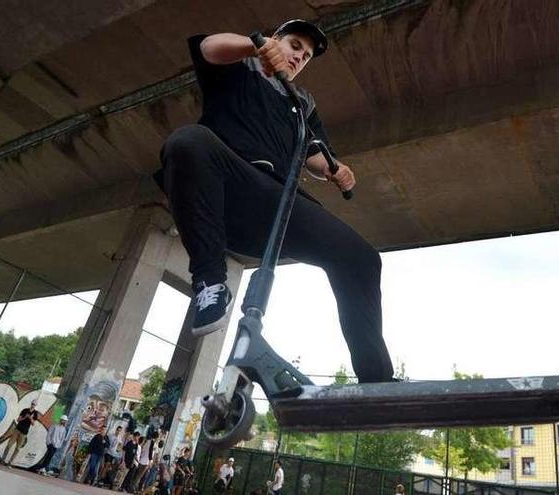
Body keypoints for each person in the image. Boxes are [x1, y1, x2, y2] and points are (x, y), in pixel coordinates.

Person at [155, 20, 394, 383]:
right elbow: (209, 47)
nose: (299, 56)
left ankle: (376, 381)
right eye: (294, 45)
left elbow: (315, 155)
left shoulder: (302, 103)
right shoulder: (243, 65)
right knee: (188, 141)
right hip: (225, 186)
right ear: (276, 40)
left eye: (307, 55)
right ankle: (209, 283)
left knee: (360, 258)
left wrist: (338, 169)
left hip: (275, 204)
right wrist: (255, 47)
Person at [0, 399, 40, 466]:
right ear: (31, 404)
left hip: (24, 433)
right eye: (32, 404)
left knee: (18, 448)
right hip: (17, 430)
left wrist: (30, 418)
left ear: (36, 405)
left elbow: (33, 424)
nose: (33, 405)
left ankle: (10, 462)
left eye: (34, 404)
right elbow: (18, 419)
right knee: (9, 445)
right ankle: (2, 460)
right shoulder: (25, 410)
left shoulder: (35, 413)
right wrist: (25, 417)